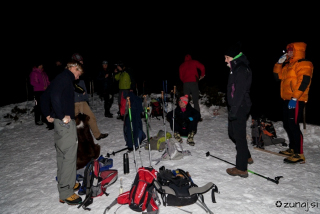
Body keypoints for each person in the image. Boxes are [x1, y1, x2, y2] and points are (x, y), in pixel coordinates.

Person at [40, 61, 83, 205]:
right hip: (65, 124)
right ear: (73, 68)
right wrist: (61, 115)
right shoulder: (65, 78)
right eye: (78, 73)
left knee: (62, 155)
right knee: (69, 157)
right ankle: (66, 191)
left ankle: (68, 182)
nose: (77, 77)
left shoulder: (60, 78)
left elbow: (45, 96)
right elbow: (55, 96)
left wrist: (47, 114)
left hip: (59, 124)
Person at [273, 42, 313, 164]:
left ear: (297, 51)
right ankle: (292, 148)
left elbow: (304, 82)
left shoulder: (304, 64)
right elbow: (277, 77)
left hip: (296, 100)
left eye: (290, 51)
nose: (288, 53)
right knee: (287, 124)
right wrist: (279, 64)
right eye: (287, 51)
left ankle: (299, 153)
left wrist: (295, 98)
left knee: (293, 125)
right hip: (286, 99)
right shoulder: (288, 65)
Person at [224, 42, 253, 178]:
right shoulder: (235, 67)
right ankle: (246, 156)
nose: (225, 60)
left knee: (239, 137)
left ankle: (241, 168)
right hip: (237, 106)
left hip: (240, 106)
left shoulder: (240, 69)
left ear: (234, 57)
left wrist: (234, 110)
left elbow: (240, 92)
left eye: (227, 57)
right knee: (233, 133)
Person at [179, 54, 205, 119]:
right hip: (194, 83)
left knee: (185, 101)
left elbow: (181, 76)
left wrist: (185, 81)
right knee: (195, 100)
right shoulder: (194, 62)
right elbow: (202, 67)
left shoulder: (182, 65)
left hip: (186, 84)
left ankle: (186, 116)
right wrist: (202, 75)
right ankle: (197, 116)